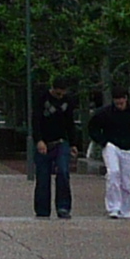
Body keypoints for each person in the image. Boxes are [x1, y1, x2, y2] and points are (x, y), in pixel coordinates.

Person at [92, 92, 130, 219]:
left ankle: (126, 209)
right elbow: (93, 127)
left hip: (129, 149)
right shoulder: (105, 113)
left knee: (126, 181)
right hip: (112, 146)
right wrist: (103, 142)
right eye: (117, 103)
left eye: (121, 103)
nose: (119, 106)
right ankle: (113, 207)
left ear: (126, 99)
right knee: (113, 173)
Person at [30, 83, 79, 219]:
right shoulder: (41, 98)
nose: (60, 96)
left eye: (63, 93)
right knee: (43, 176)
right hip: (44, 141)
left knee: (63, 172)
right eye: (58, 93)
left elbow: (70, 122)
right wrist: (39, 140)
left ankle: (63, 207)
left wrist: (73, 143)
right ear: (53, 89)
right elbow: (36, 120)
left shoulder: (67, 101)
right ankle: (42, 209)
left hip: (61, 142)